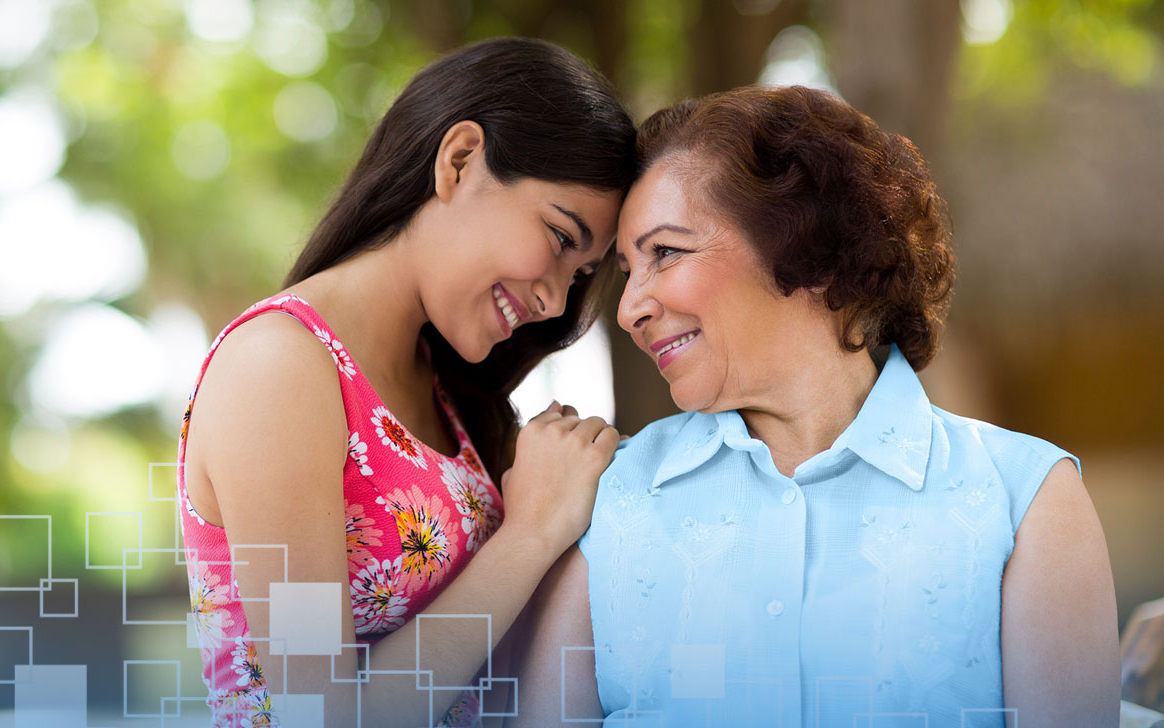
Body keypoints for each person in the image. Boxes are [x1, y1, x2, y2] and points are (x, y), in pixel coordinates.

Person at [510, 85, 1120, 727]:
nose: (630, 309)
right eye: (627, 270)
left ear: (806, 248)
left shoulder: (1027, 500)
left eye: (665, 252)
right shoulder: (603, 498)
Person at [177, 37, 632, 727]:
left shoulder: (447, 390)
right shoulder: (279, 366)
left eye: (576, 279)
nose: (554, 302)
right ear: (459, 162)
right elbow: (320, 716)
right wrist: (532, 531)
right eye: (560, 238)